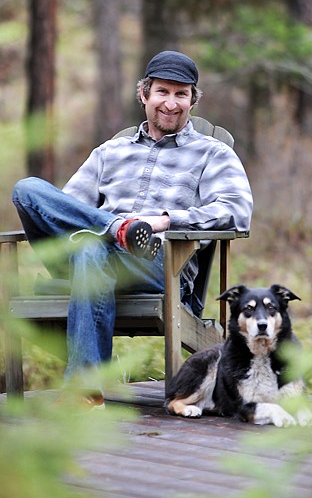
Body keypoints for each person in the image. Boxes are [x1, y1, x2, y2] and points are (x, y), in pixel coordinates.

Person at [12, 50, 253, 408]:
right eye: (162, 92)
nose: (171, 104)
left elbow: (237, 211)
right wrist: (115, 228)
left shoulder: (212, 153)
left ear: (192, 100)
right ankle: (117, 228)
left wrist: (166, 220)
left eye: (181, 94)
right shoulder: (108, 152)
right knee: (28, 189)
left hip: (159, 265)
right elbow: (67, 210)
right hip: (88, 256)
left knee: (91, 249)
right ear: (144, 95)